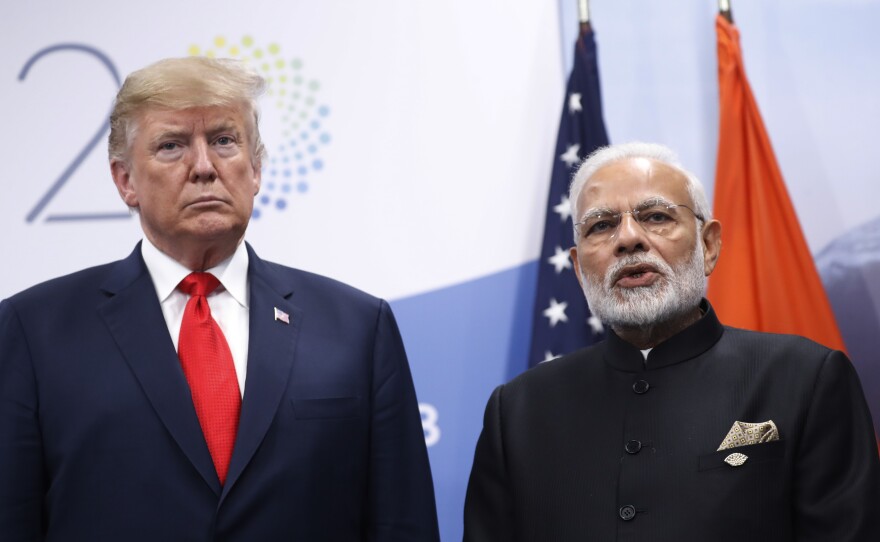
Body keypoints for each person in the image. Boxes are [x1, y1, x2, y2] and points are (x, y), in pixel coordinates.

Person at [0, 57, 439, 541]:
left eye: (224, 141)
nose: (204, 167)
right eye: (171, 146)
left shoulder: (358, 328)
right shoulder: (33, 332)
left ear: (255, 169)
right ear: (125, 180)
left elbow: (404, 525)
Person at [463, 142, 880, 541]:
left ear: (709, 245)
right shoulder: (518, 411)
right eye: (602, 225)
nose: (628, 238)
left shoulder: (805, 379)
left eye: (656, 216)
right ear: (577, 268)